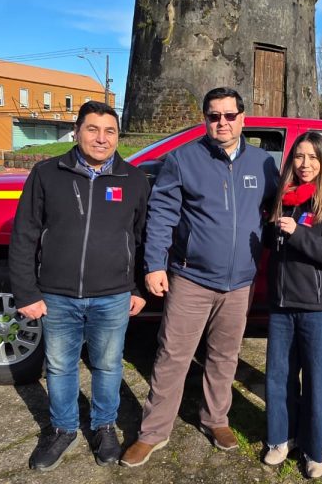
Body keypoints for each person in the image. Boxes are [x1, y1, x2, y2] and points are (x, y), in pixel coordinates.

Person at [120, 87, 278, 468]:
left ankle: (216, 420)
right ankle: (153, 433)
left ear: (243, 118)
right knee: (173, 356)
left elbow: (276, 209)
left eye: (229, 115)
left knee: (225, 356)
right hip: (191, 278)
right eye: (213, 115)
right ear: (204, 119)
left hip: (239, 282)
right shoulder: (182, 160)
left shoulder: (263, 163)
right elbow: (162, 216)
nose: (221, 122)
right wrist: (154, 265)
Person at [9, 101, 150, 471]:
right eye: (92, 129)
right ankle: (63, 428)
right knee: (59, 366)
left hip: (112, 296)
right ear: (77, 131)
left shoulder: (133, 180)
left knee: (107, 365)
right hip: (57, 295)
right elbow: (24, 235)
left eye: (110, 131)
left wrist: (136, 288)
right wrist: (27, 293)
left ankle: (104, 425)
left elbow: (140, 239)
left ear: (118, 136)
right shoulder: (46, 173)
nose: (101, 139)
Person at [262, 132, 322, 478]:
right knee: (279, 378)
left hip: (319, 309)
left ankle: (313, 450)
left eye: (312, 158)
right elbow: (274, 245)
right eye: (299, 157)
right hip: (282, 306)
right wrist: (273, 227)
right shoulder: (284, 199)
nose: (304, 164)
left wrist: (298, 234)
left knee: (316, 383)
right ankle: (279, 440)